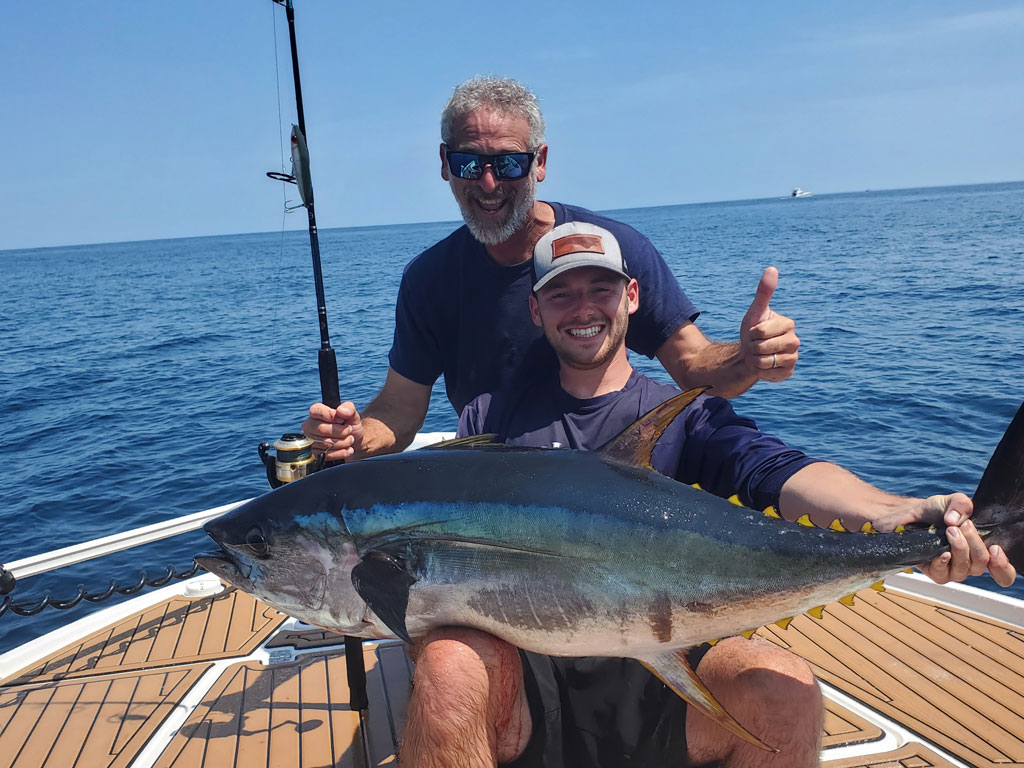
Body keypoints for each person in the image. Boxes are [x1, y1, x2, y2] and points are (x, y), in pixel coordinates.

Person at [393, 222, 1018, 768]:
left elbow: (780, 471)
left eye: (600, 289)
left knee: (788, 692)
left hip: (666, 664)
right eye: (560, 292)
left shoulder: (686, 418)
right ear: (536, 310)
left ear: (632, 297)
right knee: (447, 671)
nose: (581, 307)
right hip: (530, 675)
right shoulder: (487, 419)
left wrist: (892, 514)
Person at [302, 76, 800, 461]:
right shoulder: (428, 279)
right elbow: (400, 410)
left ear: (540, 162)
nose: (490, 183)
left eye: (510, 163)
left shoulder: (615, 248)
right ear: (444, 164)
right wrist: (354, 436)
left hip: (608, 472)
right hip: (498, 492)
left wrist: (750, 358)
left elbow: (693, 367)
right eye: (470, 163)